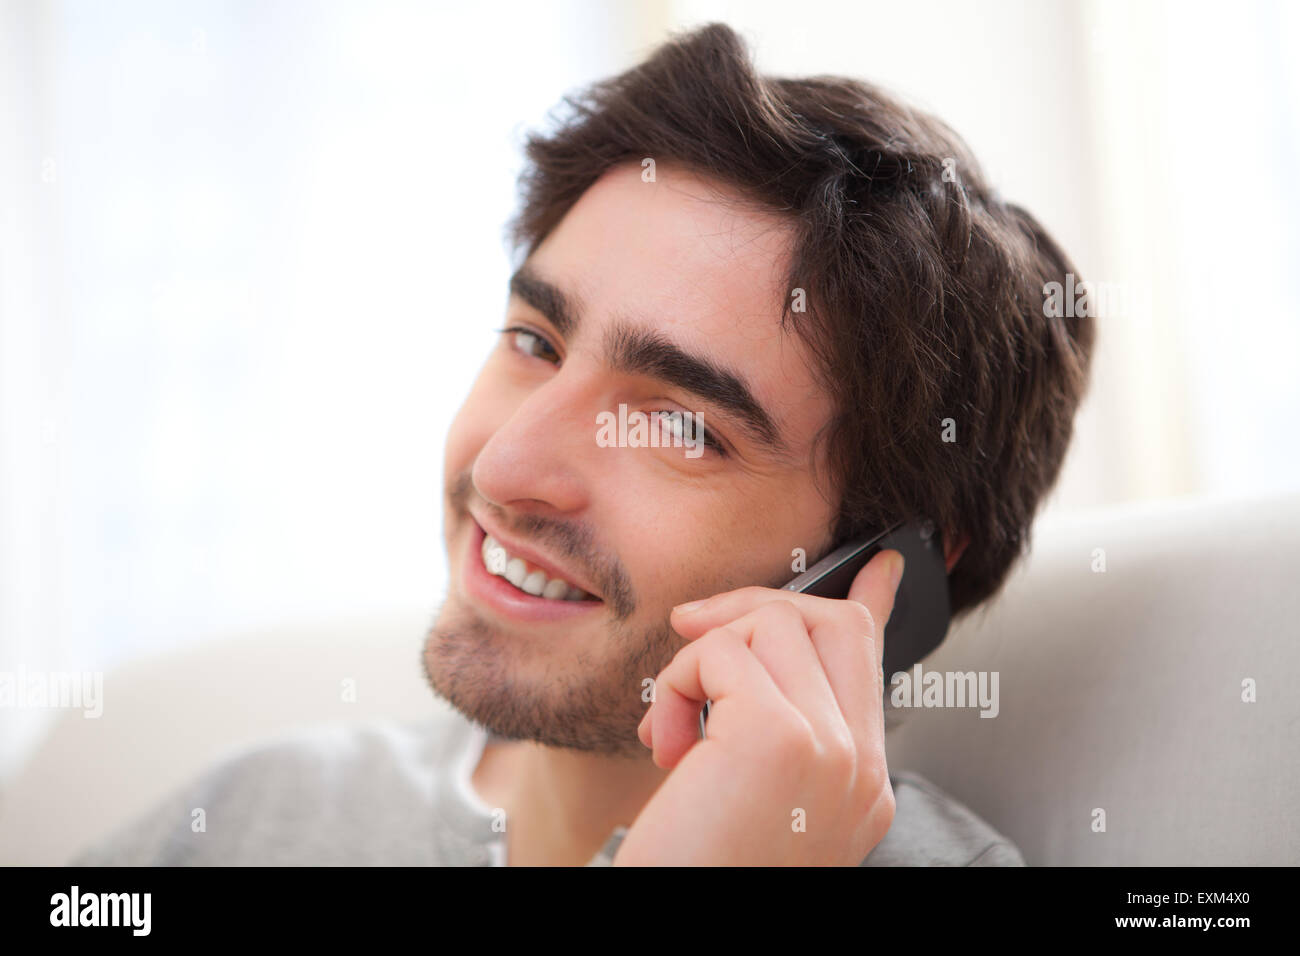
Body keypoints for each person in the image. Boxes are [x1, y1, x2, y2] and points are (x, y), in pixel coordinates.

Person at [73, 21, 1093, 867]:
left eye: (681, 426)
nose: (506, 470)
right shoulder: (250, 817)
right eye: (534, 340)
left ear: (888, 571)